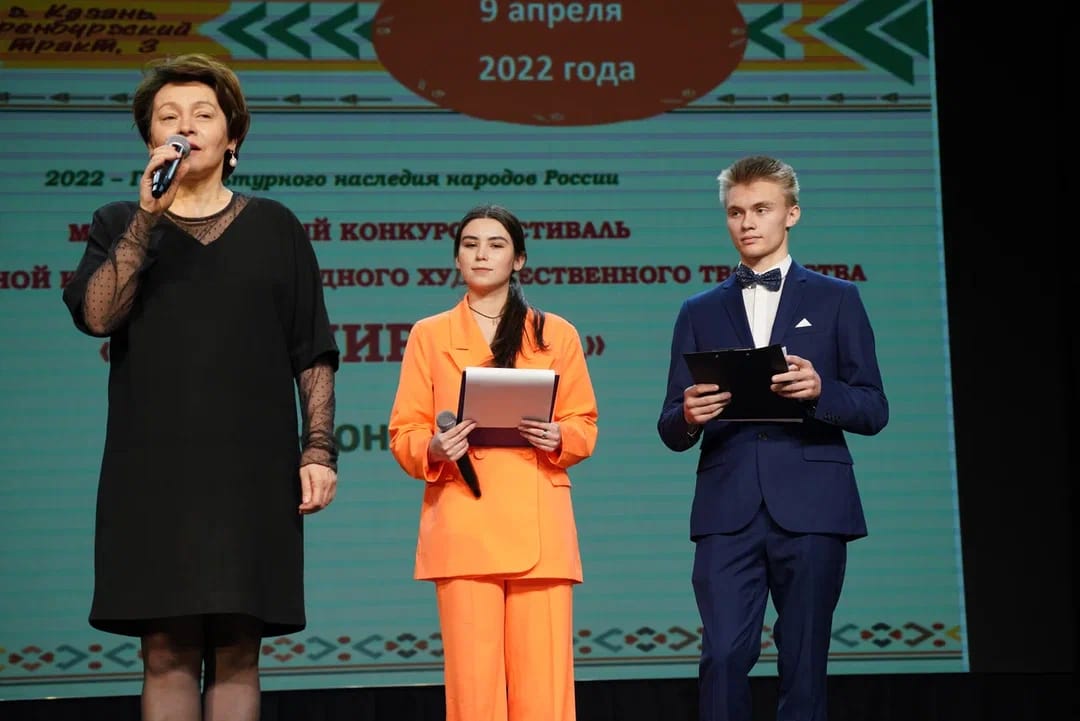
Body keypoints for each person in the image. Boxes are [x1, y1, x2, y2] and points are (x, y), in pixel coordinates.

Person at [61, 53, 339, 721]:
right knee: (165, 650)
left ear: (232, 136)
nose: (185, 126)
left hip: (252, 469)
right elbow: (97, 315)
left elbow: (311, 348)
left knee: (239, 649)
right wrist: (146, 216)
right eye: (169, 116)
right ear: (150, 139)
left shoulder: (275, 226)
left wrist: (318, 450)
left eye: (203, 114)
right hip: (151, 469)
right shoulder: (116, 222)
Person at [656, 155, 888, 721]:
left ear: (792, 213)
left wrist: (821, 390)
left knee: (804, 660)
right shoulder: (698, 310)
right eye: (736, 212)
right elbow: (670, 426)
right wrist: (689, 414)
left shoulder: (837, 298)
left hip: (813, 503)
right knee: (722, 656)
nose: (747, 222)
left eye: (761, 209)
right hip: (727, 507)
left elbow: (873, 408)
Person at [388, 204, 598, 721]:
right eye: (470, 244)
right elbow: (404, 431)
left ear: (519, 259)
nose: (482, 254)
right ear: (457, 258)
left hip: (539, 525)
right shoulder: (430, 334)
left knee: (545, 692)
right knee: (474, 691)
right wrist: (434, 448)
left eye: (496, 244)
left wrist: (559, 435)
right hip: (464, 519)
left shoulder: (556, 334)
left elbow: (584, 425)